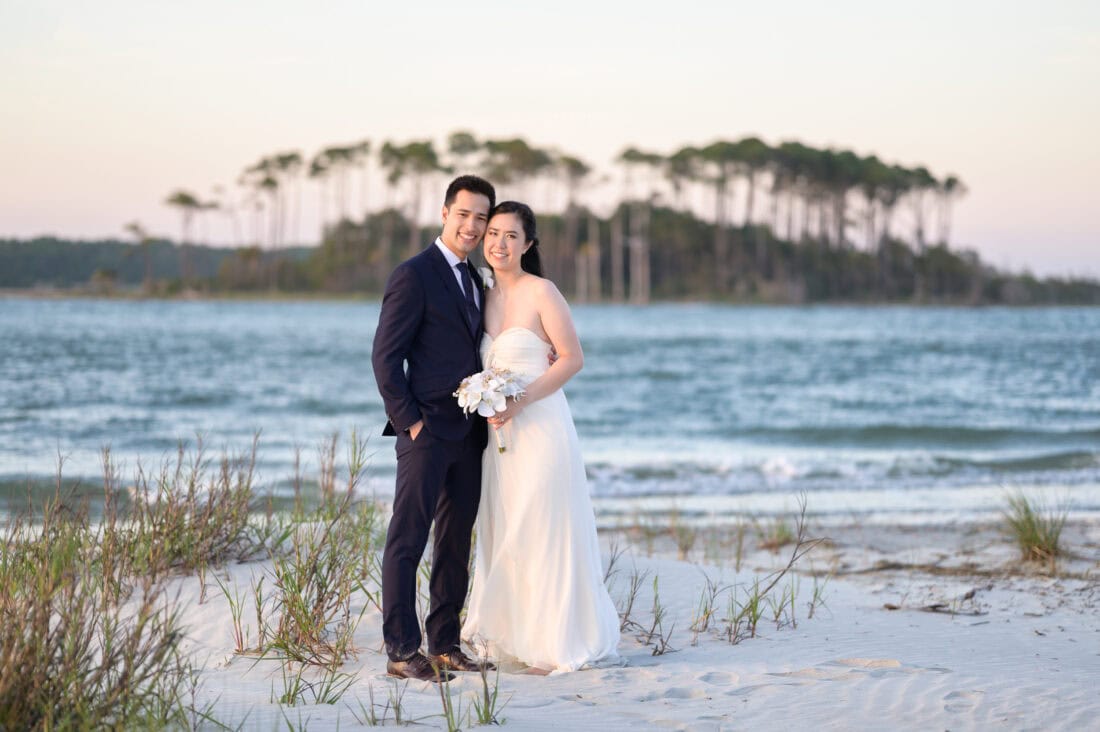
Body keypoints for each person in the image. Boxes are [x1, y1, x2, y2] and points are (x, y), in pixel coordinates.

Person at [461, 201, 620, 673]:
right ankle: (516, 638)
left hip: (542, 428)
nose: (499, 243)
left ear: (528, 244)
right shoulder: (481, 294)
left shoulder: (542, 291)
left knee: (543, 527)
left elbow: (572, 358)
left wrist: (521, 401)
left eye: (511, 236)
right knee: (506, 529)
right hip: (499, 439)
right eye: (493, 234)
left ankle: (554, 644)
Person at [371, 175, 497, 682]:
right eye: (464, 214)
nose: (472, 225)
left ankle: (444, 643)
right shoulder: (413, 275)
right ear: (445, 213)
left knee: (454, 543)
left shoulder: (476, 278)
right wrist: (412, 425)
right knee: (407, 541)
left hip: (469, 436)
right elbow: (385, 359)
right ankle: (402, 650)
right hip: (424, 435)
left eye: (481, 218)